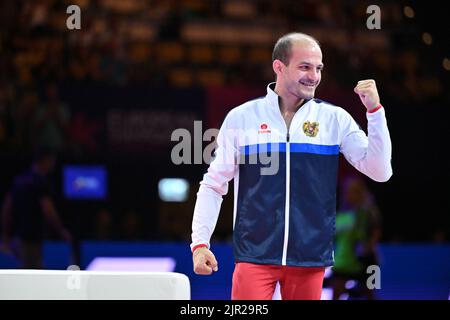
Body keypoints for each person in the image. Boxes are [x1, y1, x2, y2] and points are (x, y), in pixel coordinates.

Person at [190, 32, 392, 300]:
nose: (314, 76)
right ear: (279, 67)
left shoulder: (334, 119)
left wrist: (375, 113)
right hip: (254, 256)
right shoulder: (242, 118)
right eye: (305, 67)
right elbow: (214, 185)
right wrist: (200, 243)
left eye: (318, 68)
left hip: (309, 259)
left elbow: (380, 172)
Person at [1, 148, 72, 268]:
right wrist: (61, 231)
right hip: (31, 238)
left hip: (19, 238)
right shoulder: (39, 182)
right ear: (45, 160)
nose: (53, 165)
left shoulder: (19, 180)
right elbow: (48, 210)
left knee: (27, 270)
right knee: (32, 273)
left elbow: (7, 209)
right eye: (52, 161)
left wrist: (6, 236)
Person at [331, 176, 382, 300]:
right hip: (342, 262)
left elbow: (376, 232)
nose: (351, 194)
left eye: (356, 191)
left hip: (369, 262)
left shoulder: (370, 212)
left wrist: (367, 249)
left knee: (371, 294)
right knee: (336, 294)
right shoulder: (340, 214)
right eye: (349, 190)